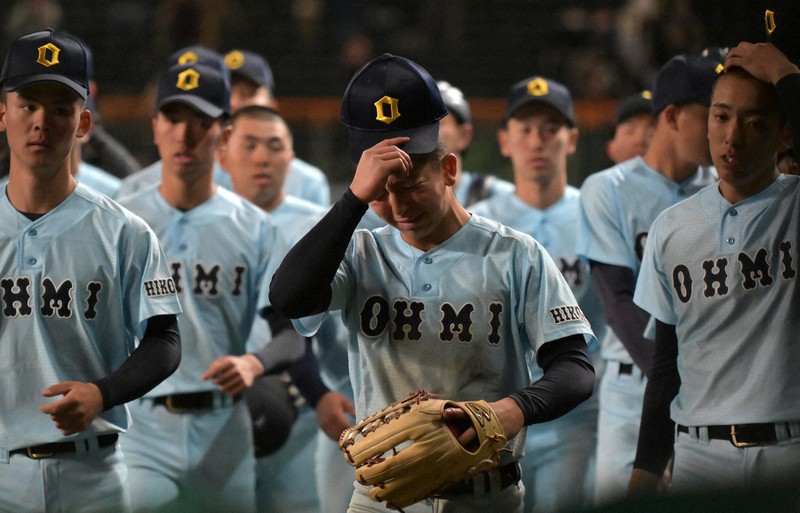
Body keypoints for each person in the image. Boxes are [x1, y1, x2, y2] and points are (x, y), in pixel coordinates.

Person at [269, 53, 597, 513]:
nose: (398, 204)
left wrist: (510, 411)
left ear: (448, 170)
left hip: (486, 495)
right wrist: (353, 201)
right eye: (381, 190)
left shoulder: (513, 253)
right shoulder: (361, 253)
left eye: (410, 182)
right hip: (381, 498)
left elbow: (575, 369)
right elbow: (288, 297)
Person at [0, 29, 181, 513]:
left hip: (93, 476)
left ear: (83, 124)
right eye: (28, 105)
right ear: (2, 114)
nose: (42, 121)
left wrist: (104, 393)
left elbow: (164, 340)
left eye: (60, 109)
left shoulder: (125, 231)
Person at [116, 60, 295, 513]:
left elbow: (291, 331)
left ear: (225, 134)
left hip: (225, 427)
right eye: (173, 119)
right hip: (140, 428)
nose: (185, 135)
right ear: (155, 125)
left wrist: (255, 362)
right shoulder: (120, 221)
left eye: (201, 122)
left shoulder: (253, 227)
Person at [628, 65, 800, 497]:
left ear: (784, 134)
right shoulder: (670, 227)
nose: (732, 136)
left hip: (790, 451)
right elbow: (667, 364)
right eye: (720, 116)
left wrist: (785, 72)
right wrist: (646, 469)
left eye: (755, 122)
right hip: (699, 456)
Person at [577, 53, 721, 506]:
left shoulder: (721, 186)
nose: (723, 129)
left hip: (711, 387)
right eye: (714, 114)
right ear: (674, 116)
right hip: (635, 387)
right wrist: (677, 390)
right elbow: (618, 301)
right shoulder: (609, 188)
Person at [470, 75, 605, 513]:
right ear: (505, 141)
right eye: (525, 130)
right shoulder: (478, 224)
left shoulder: (595, 214)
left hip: (576, 419)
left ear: (571, 139)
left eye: (550, 129)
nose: (537, 142)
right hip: (493, 419)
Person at [218, 104, 355, 513]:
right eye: (251, 145)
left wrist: (320, 393)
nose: (262, 157)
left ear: (291, 157)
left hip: (310, 416)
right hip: (217, 410)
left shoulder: (327, 228)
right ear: (223, 151)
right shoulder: (206, 221)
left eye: (274, 146)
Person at [115, 45, 332, 208]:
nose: (235, 103)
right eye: (228, 93)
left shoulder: (307, 182)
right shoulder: (147, 185)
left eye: (247, 94)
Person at [436, 80, 514, 207]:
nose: (425, 133)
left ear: (464, 135)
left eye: (437, 122)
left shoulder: (498, 198)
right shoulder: (396, 201)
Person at [606, 90, 655, 165]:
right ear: (611, 148)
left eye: (651, 133)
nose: (640, 140)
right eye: (630, 131)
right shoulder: (600, 177)